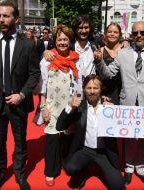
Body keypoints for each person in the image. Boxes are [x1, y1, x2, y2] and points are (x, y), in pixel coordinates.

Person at [94, 21, 144, 185]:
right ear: (131, 35)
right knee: (128, 137)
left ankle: (141, 168)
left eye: (142, 32)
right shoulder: (123, 54)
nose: (139, 36)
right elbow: (108, 74)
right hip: (127, 102)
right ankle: (128, 168)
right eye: (135, 33)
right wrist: (100, 62)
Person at [0, 1, 41, 190]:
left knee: (20, 142)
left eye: (6, 16)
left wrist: (22, 95)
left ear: (16, 18)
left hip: (18, 103)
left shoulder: (29, 44)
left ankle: (20, 175)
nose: (1, 19)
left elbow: (34, 74)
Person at [56, 74, 125, 190]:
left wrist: (113, 113)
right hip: (85, 150)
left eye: (95, 88)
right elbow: (59, 126)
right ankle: (85, 169)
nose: (92, 91)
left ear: (101, 89)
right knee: (70, 168)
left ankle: (98, 167)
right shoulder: (79, 107)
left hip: (104, 153)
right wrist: (68, 106)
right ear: (84, 89)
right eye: (89, 88)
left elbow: (123, 128)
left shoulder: (109, 107)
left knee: (118, 186)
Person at [39, 24, 82, 187]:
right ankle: (50, 171)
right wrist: (43, 107)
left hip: (69, 106)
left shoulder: (76, 59)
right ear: (55, 41)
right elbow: (42, 87)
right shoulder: (47, 59)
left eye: (65, 39)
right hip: (52, 105)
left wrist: (77, 100)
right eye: (59, 39)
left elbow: (79, 83)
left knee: (68, 137)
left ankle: (66, 163)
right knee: (51, 140)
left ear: (70, 41)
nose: (62, 42)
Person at [100, 23, 123, 104]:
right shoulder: (100, 51)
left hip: (122, 92)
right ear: (106, 34)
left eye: (115, 32)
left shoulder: (126, 49)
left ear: (120, 35)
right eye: (109, 32)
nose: (112, 34)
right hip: (105, 93)